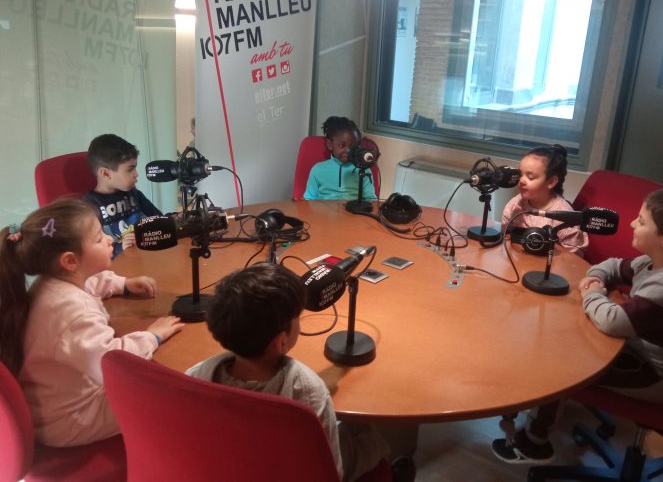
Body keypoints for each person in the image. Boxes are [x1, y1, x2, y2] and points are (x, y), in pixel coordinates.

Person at [492, 187, 663, 464]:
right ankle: (534, 406)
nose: (631, 224)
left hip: (660, 378)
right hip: (641, 351)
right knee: (566, 335)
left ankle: (534, 443)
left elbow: (611, 321)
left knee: (559, 364)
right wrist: (596, 279)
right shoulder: (661, 262)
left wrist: (592, 292)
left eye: (641, 221)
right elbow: (612, 266)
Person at [186, 263, 399, 482]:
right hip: (286, 470)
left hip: (231, 465)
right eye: (298, 316)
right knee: (368, 439)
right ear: (281, 342)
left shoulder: (195, 376)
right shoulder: (308, 392)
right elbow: (330, 472)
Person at [0, 199, 184, 447]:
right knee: (167, 397)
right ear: (70, 261)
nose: (109, 239)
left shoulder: (51, 282)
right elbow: (113, 363)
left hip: (53, 402)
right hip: (69, 419)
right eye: (99, 238)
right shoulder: (74, 312)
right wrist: (152, 336)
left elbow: (90, 282)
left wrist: (123, 284)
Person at [502, 144, 588, 256]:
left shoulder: (564, 216)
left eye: (530, 177)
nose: (521, 181)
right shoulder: (515, 205)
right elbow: (505, 236)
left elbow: (573, 258)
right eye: (520, 174)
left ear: (551, 182)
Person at [85, 134, 162, 257]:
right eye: (130, 169)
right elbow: (92, 248)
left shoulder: (134, 194)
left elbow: (158, 218)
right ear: (106, 174)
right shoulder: (90, 206)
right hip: (119, 263)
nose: (136, 174)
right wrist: (120, 247)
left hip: (145, 255)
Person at [304, 116, 377, 201]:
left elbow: (371, 200)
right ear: (330, 144)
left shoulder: (363, 170)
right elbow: (308, 201)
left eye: (353, 146)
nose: (348, 150)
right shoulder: (318, 170)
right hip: (324, 209)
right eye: (342, 145)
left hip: (353, 209)